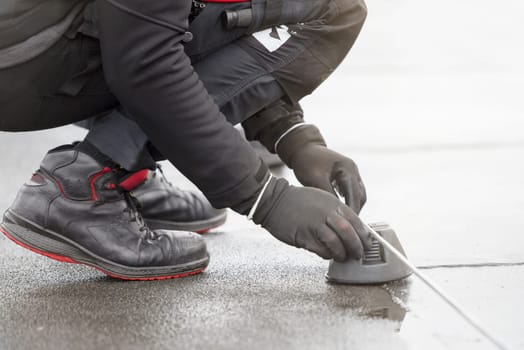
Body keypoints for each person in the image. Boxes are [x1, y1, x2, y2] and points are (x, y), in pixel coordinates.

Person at [0, 0, 371, 280]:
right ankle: (85, 183)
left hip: (29, 48)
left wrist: (291, 135)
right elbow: (147, 63)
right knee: (333, 11)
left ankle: (128, 166)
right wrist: (265, 199)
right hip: (18, 63)